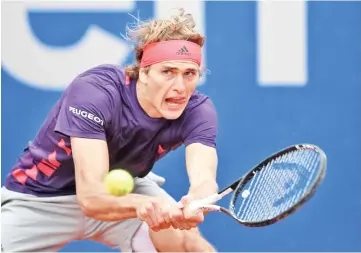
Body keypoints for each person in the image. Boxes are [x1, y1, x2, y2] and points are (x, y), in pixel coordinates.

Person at [1, 8, 219, 252]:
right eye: (167, 72)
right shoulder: (96, 90)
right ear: (144, 73)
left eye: (189, 74)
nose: (179, 86)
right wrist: (147, 204)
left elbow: (204, 178)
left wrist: (197, 201)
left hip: (125, 193)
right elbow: (92, 198)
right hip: (40, 197)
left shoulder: (198, 110)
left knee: (190, 244)